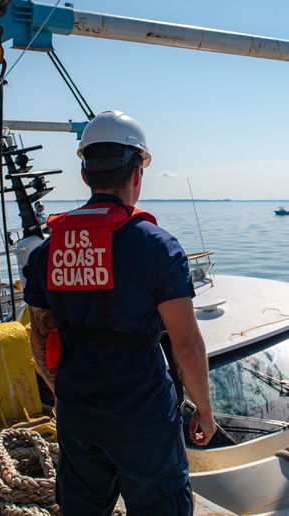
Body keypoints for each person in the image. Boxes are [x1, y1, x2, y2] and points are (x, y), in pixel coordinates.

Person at [22, 110, 215, 515]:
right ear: (137, 175)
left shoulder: (44, 252)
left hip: (77, 414)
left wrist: (65, 393)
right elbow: (186, 345)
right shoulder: (158, 248)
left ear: (86, 175)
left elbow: (38, 336)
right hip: (143, 418)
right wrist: (204, 408)